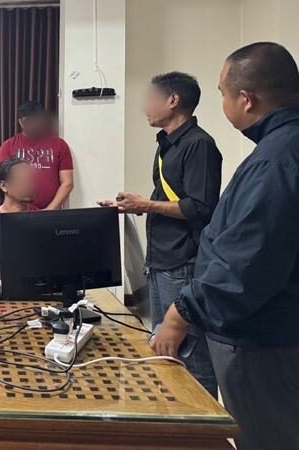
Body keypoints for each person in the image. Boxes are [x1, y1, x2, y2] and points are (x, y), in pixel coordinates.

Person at [152, 42, 299, 450]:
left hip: (261, 338)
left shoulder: (275, 161)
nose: (222, 103)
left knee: (266, 435)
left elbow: (247, 262)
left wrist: (182, 311)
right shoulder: (280, 147)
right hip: (273, 329)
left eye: (222, 93)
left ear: (246, 99)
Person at [99, 72, 223, 395]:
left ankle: (202, 420)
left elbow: (200, 207)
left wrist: (146, 204)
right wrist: (132, 205)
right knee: (162, 344)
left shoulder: (199, 145)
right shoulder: (167, 144)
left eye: (151, 99)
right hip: (160, 259)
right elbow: (168, 200)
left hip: (184, 262)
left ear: (173, 100)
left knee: (190, 352)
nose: (145, 107)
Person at [0, 101, 74, 210]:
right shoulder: (9, 145)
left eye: (36, 120)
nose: (33, 125)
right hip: (17, 211)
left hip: (50, 212)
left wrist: (49, 211)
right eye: (28, 121)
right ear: (20, 122)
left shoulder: (59, 145)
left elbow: (67, 183)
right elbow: (0, 178)